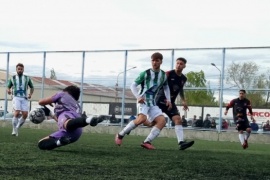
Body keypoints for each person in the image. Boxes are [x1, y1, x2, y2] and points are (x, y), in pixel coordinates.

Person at [115, 52, 172, 150]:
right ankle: (120, 135)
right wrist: (138, 97)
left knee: (162, 121)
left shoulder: (163, 75)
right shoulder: (145, 73)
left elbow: (166, 87)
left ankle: (147, 142)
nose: (154, 63)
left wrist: (169, 99)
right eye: (153, 60)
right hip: (143, 100)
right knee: (141, 119)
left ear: (161, 62)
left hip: (152, 102)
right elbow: (132, 85)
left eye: (157, 61)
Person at [142, 57, 194, 150]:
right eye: (177, 63)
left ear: (184, 66)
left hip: (171, 103)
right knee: (153, 123)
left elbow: (180, 89)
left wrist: (183, 100)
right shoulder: (168, 74)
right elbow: (159, 84)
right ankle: (139, 123)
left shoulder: (183, 78)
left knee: (178, 120)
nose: (178, 65)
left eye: (181, 64)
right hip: (160, 101)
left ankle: (181, 143)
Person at [37, 85, 103, 150]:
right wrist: (50, 114)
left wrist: (48, 102)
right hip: (77, 132)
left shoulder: (62, 94)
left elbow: (41, 102)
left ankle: (88, 120)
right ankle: (59, 142)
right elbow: (61, 122)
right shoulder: (77, 106)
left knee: (41, 143)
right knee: (41, 143)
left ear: (66, 91)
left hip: (68, 121)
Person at [7, 63, 34, 136]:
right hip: (16, 97)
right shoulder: (12, 78)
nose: (20, 70)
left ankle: (17, 127)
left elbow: (32, 87)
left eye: (21, 69)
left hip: (24, 98)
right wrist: (8, 91)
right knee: (17, 112)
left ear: (23, 70)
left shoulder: (27, 78)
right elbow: (8, 87)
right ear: (16, 69)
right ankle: (14, 129)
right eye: (18, 69)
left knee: (25, 115)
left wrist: (30, 94)